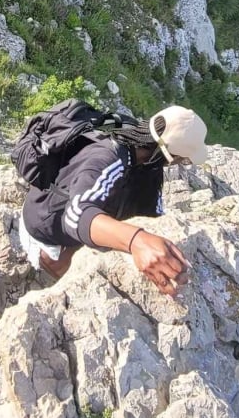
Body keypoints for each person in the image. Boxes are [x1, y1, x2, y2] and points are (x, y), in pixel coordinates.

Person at [18, 104, 208, 298]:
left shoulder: (148, 162)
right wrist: (137, 241)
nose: (179, 164)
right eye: (182, 160)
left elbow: (152, 214)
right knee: (81, 282)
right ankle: (45, 262)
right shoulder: (107, 156)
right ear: (170, 155)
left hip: (80, 212)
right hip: (47, 229)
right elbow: (76, 216)